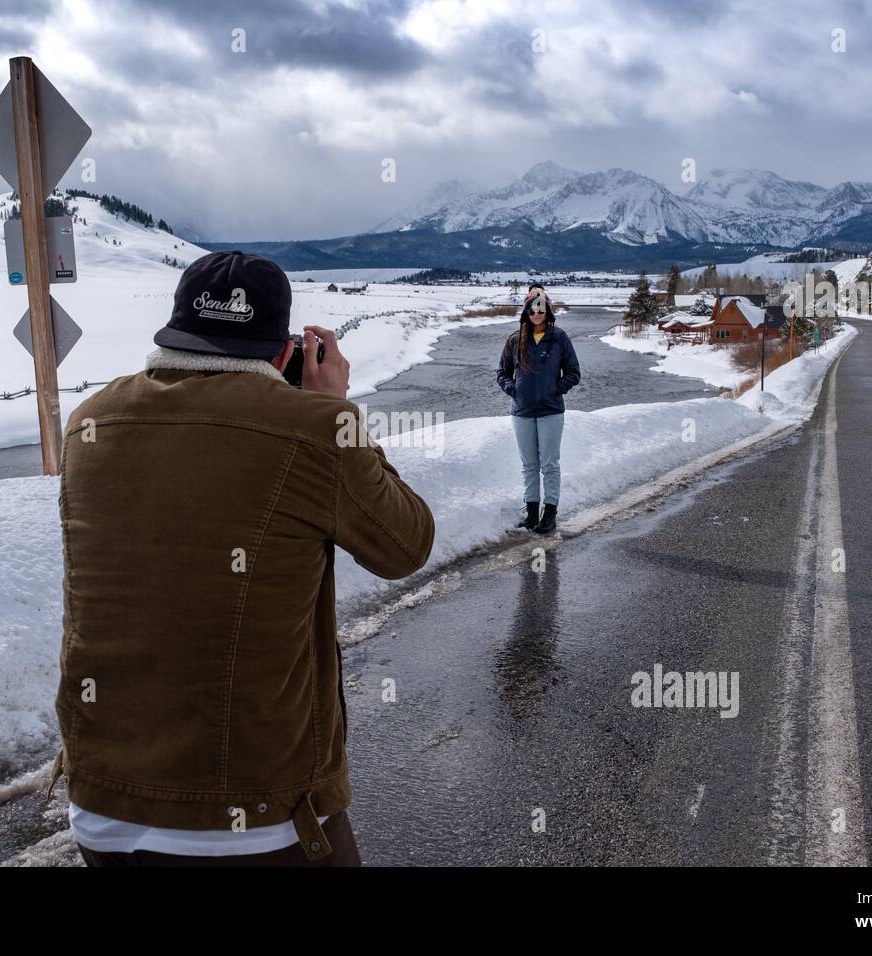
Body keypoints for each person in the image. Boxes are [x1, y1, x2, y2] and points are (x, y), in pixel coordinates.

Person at [49, 250, 435, 866]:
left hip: (103, 801)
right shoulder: (314, 429)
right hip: (257, 811)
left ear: (175, 333)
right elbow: (406, 546)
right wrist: (338, 409)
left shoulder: (90, 422)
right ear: (283, 353)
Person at [495, 286, 580, 534]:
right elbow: (501, 372)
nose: (536, 314)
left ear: (547, 311)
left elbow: (574, 373)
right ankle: (531, 513)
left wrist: (555, 389)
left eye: (541, 309)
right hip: (521, 412)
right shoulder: (515, 339)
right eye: (532, 309)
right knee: (529, 464)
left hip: (551, 411)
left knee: (549, 464)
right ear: (526, 311)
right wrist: (514, 390)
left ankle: (549, 514)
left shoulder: (559, 338)